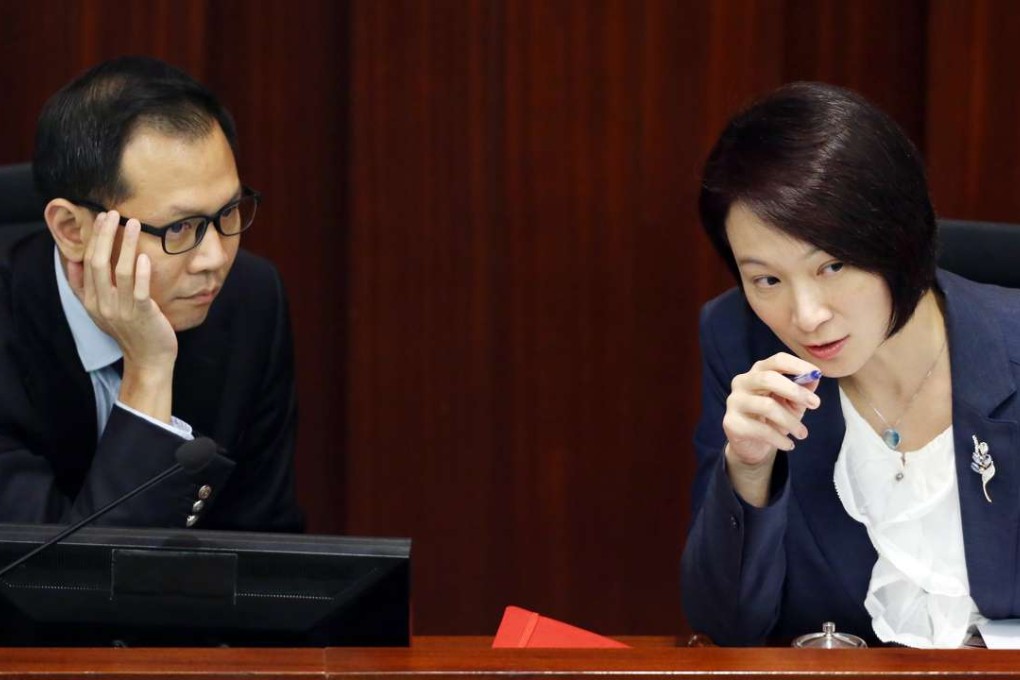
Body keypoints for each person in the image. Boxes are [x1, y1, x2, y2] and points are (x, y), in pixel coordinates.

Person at [680, 81, 1020, 648]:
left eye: (832, 265)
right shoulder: (741, 345)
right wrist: (748, 468)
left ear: (898, 235)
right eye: (767, 279)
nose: (806, 316)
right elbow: (723, 624)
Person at [0, 56, 304, 532]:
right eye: (180, 227)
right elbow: (58, 578)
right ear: (71, 230)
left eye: (228, 212)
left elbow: (263, 553)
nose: (214, 259)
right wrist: (149, 371)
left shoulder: (249, 301)